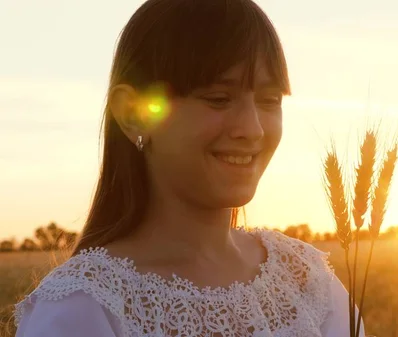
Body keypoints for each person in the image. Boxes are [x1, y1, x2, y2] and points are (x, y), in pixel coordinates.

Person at [13, 0, 366, 336]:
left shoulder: (304, 279)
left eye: (269, 101)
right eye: (218, 99)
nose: (253, 128)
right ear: (135, 114)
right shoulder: (84, 308)